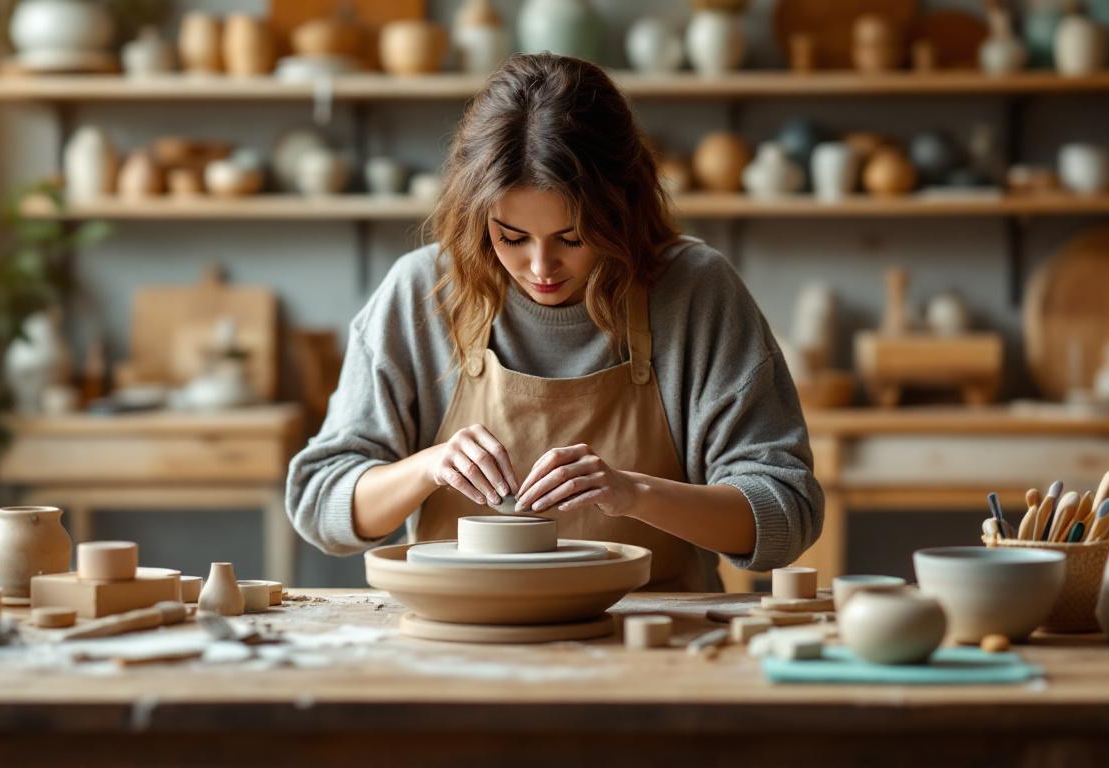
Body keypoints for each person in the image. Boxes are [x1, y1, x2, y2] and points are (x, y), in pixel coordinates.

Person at [287, 53, 823, 590]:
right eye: (511, 238)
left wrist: (636, 495)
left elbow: (787, 513)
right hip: (464, 645)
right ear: (477, 217)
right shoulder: (422, 293)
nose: (541, 268)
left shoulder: (695, 291)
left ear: (621, 208)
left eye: (572, 237)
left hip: (653, 640)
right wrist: (428, 467)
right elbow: (319, 503)